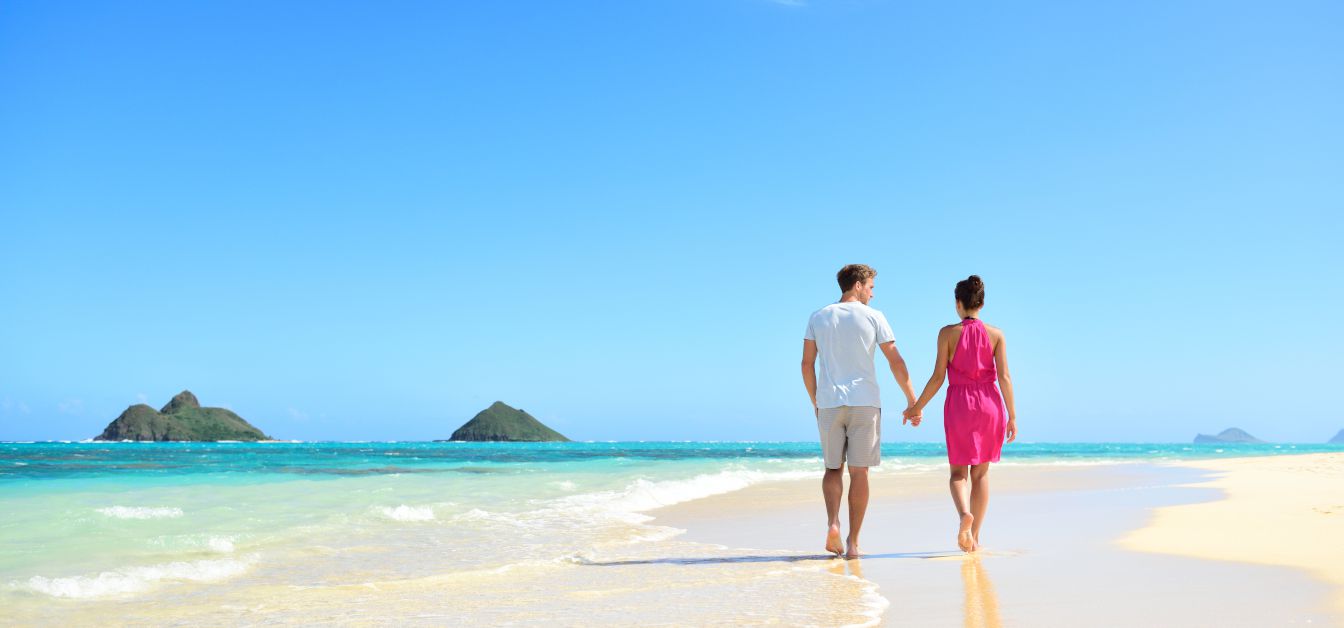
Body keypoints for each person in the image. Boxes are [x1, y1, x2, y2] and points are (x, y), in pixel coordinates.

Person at [802, 264, 919, 559]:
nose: (871, 292)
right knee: (859, 473)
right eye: (870, 286)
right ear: (856, 285)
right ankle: (853, 544)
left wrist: (816, 400)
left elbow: (806, 364)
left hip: (829, 402)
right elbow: (895, 360)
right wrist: (912, 399)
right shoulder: (874, 317)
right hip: (865, 402)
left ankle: (832, 524)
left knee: (832, 469)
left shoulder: (818, 317)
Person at [905, 275, 1018, 553]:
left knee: (958, 473)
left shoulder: (947, 333)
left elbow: (937, 377)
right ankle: (975, 537)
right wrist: (1012, 415)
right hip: (991, 404)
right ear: (981, 303)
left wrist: (917, 407)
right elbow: (1004, 377)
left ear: (958, 303)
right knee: (981, 474)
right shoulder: (997, 335)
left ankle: (963, 515)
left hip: (959, 404)